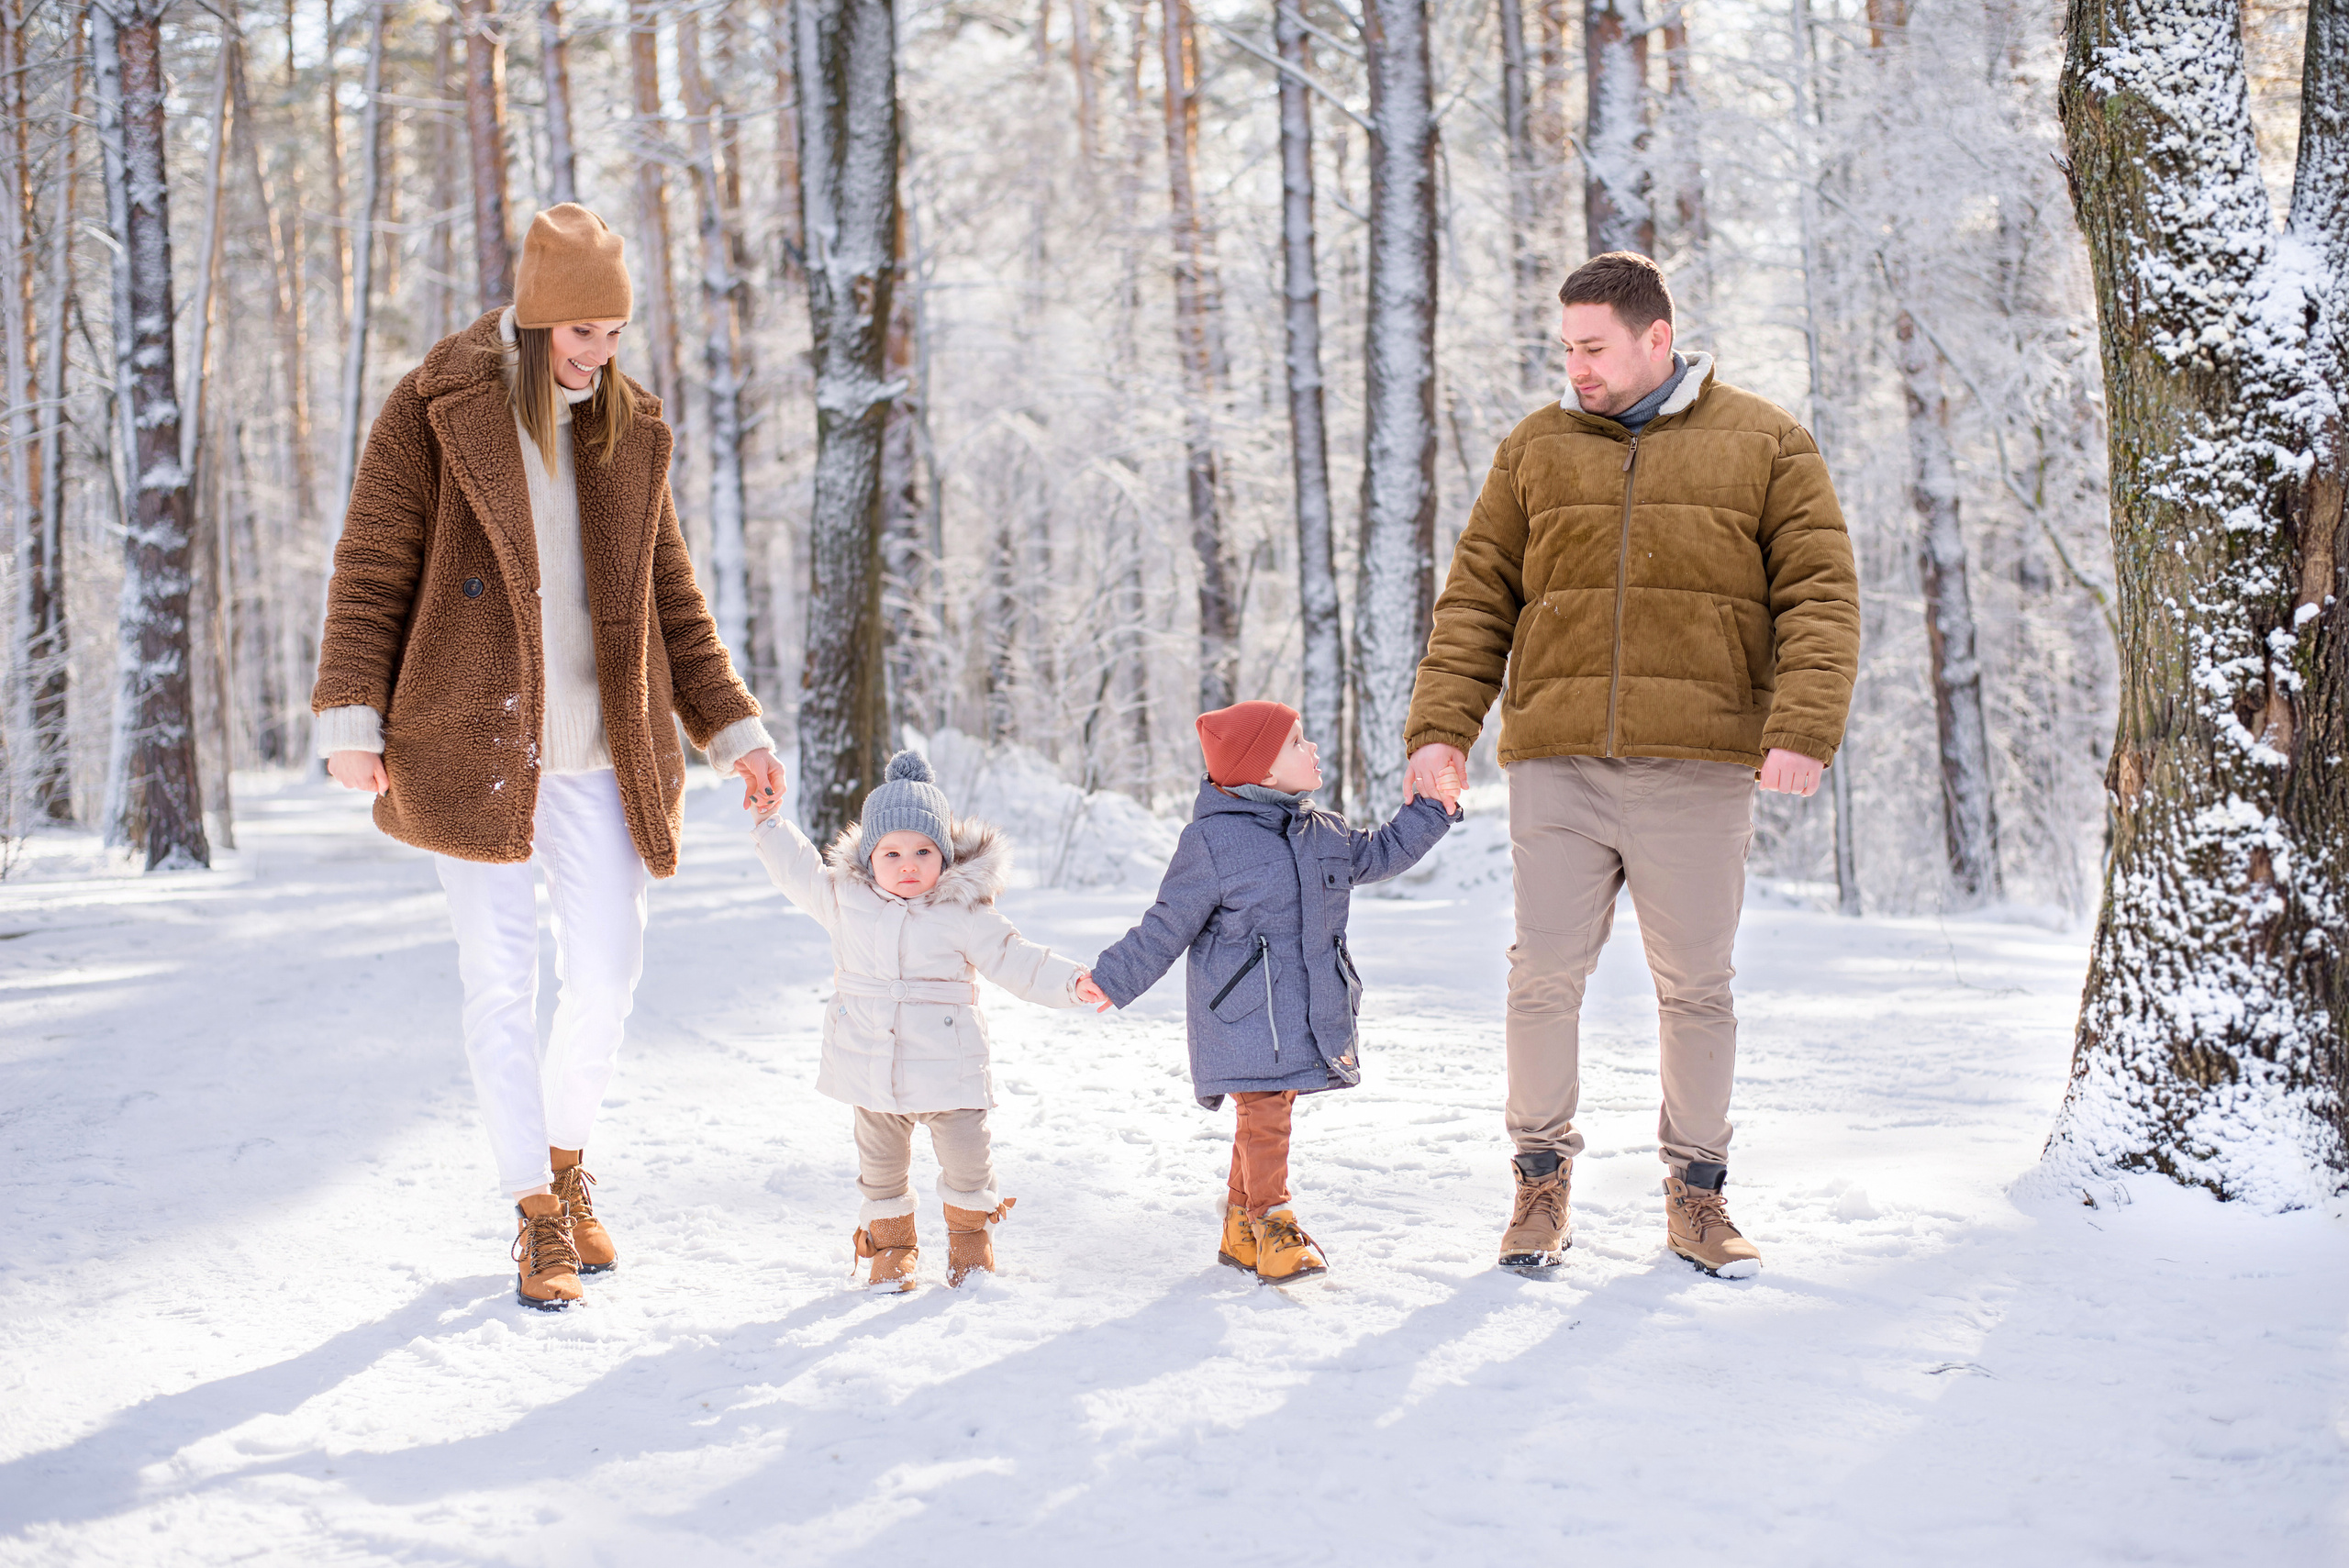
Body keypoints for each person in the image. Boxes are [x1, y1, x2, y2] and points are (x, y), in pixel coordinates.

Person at [313, 204, 785, 1310]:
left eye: (615, 330)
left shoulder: (630, 426)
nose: (599, 353)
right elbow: (373, 563)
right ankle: (534, 1217)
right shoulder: (433, 410)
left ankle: (569, 1165)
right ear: (532, 320)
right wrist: (351, 713)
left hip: (604, 751)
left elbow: (673, 598)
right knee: (497, 983)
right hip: (468, 738)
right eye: (580, 332)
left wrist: (735, 729)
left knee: (610, 972)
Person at [1400, 250, 1860, 1280]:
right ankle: (1537, 1183)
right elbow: (1477, 597)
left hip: (1695, 764)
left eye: (1594, 347)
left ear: (1658, 337)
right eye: (1566, 347)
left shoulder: (1766, 443)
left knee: (1695, 983)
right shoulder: (1536, 447)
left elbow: (1820, 596)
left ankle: (1697, 1195)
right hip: (1556, 760)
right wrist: (1441, 727)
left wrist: (1802, 726)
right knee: (1540, 976)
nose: (1577, 367)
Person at [1088, 701, 1462, 1285]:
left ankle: (1241, 1228)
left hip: (1306, 1004)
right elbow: (1168, 922)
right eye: (1296, 743)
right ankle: (1275, 1220)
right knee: (1265, 1115)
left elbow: (1384, 851)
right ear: (1262, 773)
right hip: (1241, 1012)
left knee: (1269, 1111)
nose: (1311, 750)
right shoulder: (1211, 843)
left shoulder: (1324, 832)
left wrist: (1433, 810)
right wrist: (1114, 977)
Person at [753, 751, 1103, 1291]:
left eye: (923, 850)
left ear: (946, 855)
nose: (908, 864)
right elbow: (796, 869)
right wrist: (769, 822)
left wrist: (1070, 983)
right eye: (891, 852)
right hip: (871, 1067)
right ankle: (891, 1247)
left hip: (949, 1072)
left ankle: (970, 1242)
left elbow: (1017, 957)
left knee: (968, 1161)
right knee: (881, 1166)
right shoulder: (845, 901)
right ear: (869, 857)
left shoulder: (963, 912)